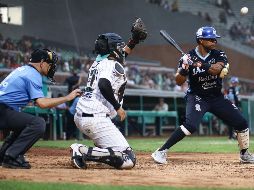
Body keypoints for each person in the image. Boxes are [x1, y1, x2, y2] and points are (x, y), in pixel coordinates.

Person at [151, 26, 254, 164]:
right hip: (197, 96)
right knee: (190, 126)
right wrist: (183, 69)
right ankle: (161, 151)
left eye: (215, 39)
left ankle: (244, 154)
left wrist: (199, 63)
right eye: (211, 39)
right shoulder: (187, 57)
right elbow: (178, 81)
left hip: (216, 97)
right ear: (200, 40)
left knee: (241, 122)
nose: (214, 41)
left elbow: (216, 70)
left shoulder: (219, 54)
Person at [70, 18, 147, 169]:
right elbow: (103, 84)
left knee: (112, 152)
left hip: (84, 114)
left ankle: (92, 151)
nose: (121, 48)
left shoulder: (99, 61)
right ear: (113, 49)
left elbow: (122, 54)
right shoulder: (111, 64)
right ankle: (81, 151)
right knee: (128, 159)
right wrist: (118, 107)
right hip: (95, 118)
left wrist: (134, 41)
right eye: (118, 45)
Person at [0, 49, 81, 169]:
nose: (51, 67)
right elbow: (42, 104)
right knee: (38, 123)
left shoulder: (22, 69)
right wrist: (68, 97)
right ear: (42, 62)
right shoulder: (33, 74)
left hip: (4, 109)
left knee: (24, 124)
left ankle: (4, 155)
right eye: (50, 64)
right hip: (2, 110)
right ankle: (12, 156)